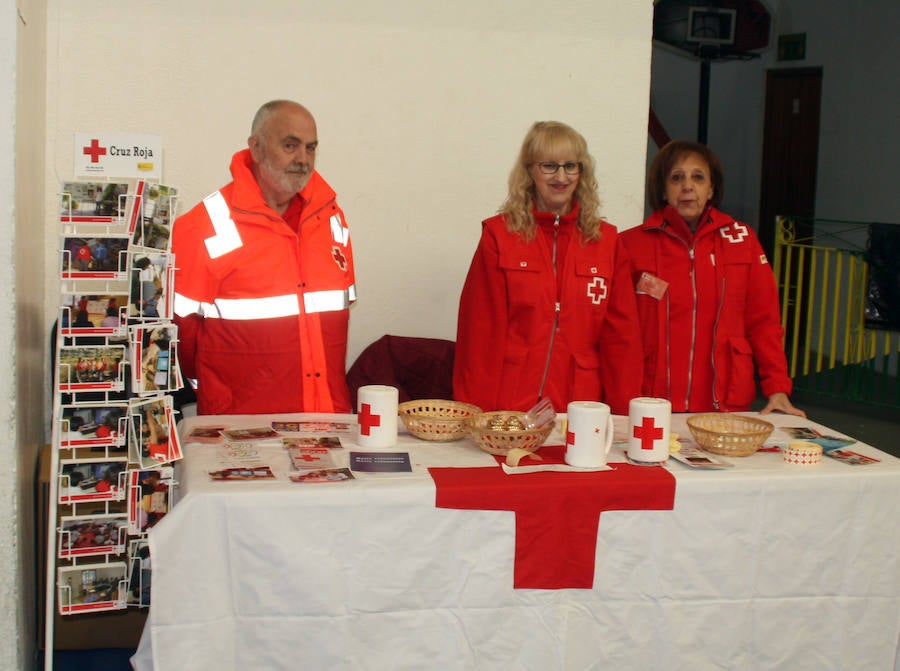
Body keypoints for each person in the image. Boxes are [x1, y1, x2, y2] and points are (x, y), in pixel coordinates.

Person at [172, 100, 356, 415]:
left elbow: (335, 322)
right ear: (256, 148)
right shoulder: (203, 225)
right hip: (240, 432)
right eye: (290, 145)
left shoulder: (331, 219)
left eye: (310, 148)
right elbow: (181, 337)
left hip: (326, 422)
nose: (303, 159)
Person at [453, 121, 643, 415]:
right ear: (530, 170)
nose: (562, 176)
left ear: (582, 173)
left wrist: (623, 415)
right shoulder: (500, 236)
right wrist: (475, 412)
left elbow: (622, 339)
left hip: (580, 408)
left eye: (571, 166)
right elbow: (480, 333)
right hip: (509, 404)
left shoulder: (606, 242)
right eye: (549, 166)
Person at [620, 140, 805, 416]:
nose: (687, 186)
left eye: (698, 177)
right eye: (676, 177)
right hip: (650, 403)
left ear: (711, 188)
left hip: (726, 403)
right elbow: (616, 333)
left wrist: (777, 387)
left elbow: (765, 321)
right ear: (662, 189)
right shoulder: (630, 244)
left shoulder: (742, 240)